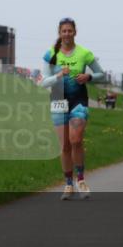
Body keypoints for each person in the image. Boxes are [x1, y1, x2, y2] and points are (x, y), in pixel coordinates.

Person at [39, 18, 105, 200]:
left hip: (78, 101)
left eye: (70, 31)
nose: (67, 34)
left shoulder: (84, 53)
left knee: (76, 140)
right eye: (63, 31)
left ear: (75, 32)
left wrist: (88, 77)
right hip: (58, 102)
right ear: (59, 33)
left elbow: (102, 74)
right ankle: (68, 184)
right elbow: (43, 82)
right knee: (65, 146)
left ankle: (81, 180)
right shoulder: (50, 54)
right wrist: (59, 75)